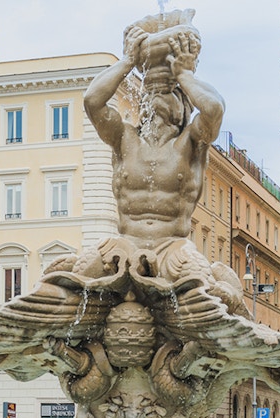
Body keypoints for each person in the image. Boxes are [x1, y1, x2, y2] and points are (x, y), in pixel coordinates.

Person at [83, 16, 224, 251]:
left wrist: (184, 75)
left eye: (168, 94)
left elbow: (213, 108)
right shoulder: (124, 138)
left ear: (183, 106)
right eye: (150, 96)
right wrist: (127, 62)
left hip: (174, 248)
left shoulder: (192, 142)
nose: (156, 99)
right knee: (59, 283)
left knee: (200, 286)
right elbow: (92, 101)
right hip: (125, 246)